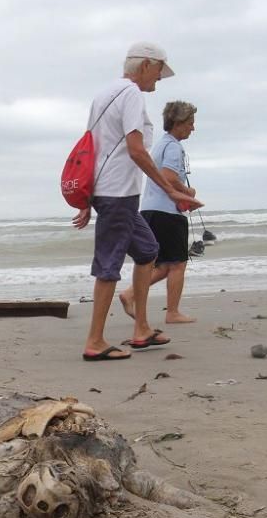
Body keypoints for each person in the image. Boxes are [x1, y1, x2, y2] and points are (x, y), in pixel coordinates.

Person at [73, 42, 180, 361]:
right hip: (118, 192)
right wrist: (169, 188)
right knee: (108, 266)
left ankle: (142, 328)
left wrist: (86, 197)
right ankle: (94, 341)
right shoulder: (131, 94)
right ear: (146, 64)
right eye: (160, 71)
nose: (159, 79)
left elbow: (89, 147)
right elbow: (136, 149)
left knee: (147, 250)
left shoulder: (104, 93)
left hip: (113, 192)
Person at [119, 101, 204, 324]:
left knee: (163, 265)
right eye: (190, 123)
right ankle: (172, 312)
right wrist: (188, 193)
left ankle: (130, 294)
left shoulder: (159, 145)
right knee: (178, 263)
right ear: (178, 123)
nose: (193, 128)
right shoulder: (174, 146)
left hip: (149, 209)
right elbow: (168, 176)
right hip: (167, 212)